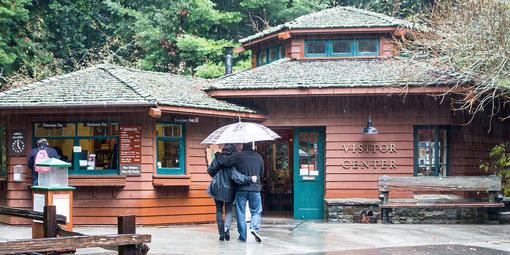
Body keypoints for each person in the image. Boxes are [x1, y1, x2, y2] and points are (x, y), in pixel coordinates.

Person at [207, 144, 257, 241]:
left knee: (219, 210)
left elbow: (210, 171)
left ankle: (221, 233)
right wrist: (249, 179)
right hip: (229, 189)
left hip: (217, 188)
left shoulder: (218, 158)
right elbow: (236, 176)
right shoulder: (233, 160)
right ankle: (226, 228)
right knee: (229, 210)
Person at [216, 142, 264, 242]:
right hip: (254, 189)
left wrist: (218, 155)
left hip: (241, 189)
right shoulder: (259, 157)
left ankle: (243, 236)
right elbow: (261, 172)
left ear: (243, 146)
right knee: (256, 211)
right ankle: (254, 228)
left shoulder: (237, 155)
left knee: (240, 213)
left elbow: (225, 162)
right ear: (252, 146)